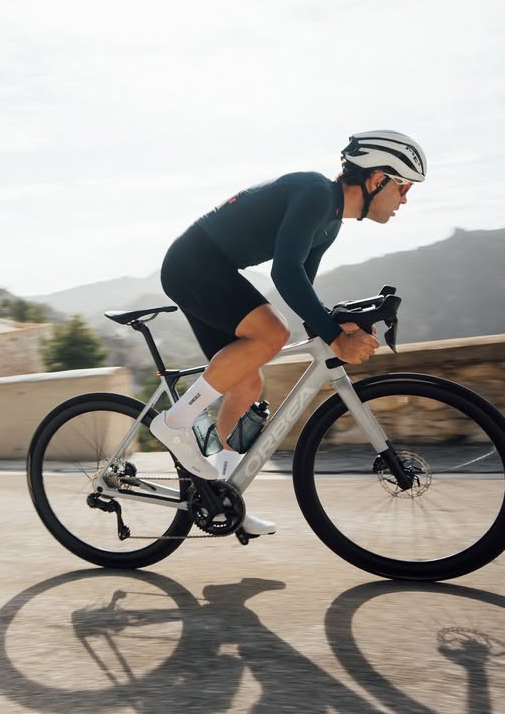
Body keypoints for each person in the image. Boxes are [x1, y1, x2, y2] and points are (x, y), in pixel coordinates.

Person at [149, 130, 428, 535]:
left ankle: (223, 495)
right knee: (271, 334)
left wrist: (338, 322)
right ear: (375, 179)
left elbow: (303, 289)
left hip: (210, 269)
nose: (405, 199)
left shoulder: (331, 225)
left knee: (246, 386)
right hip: (193, 262)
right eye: (403, 186)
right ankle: (175, 424)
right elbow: (285, 273)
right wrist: (335, 337)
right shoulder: (317, 192)